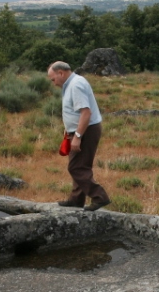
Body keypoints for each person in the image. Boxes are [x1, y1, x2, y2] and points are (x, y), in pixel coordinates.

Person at [47, 61, 111, 211]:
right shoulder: (71, 84)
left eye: (53, 79)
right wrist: (69, 130)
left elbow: (86, 113)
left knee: (76, 167)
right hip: (80, 130)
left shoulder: (76, 85)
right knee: (80, 165)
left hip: (86, 130)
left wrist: (77, 136)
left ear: (61, 73)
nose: (53, 83)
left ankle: (100, 197)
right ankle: (76, 200)